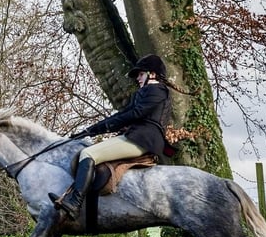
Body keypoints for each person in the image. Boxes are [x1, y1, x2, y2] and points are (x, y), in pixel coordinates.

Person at [49, 54, 173, 220]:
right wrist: (90, 130)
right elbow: (122, 115)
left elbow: (136, 114)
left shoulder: (158, 90)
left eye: (140, 74)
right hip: (136, 136)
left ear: (152, 74)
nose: (138, 78)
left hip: (144, 139)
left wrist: (99, 128)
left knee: (88, 154)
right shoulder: (142, 93)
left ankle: (75, 203)